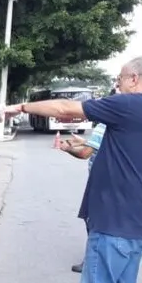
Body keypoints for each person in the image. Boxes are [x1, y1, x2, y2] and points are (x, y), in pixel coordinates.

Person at [1, 56, 142, 283]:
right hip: (139, 222)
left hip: (114, 221)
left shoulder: (129, 105)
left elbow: (67, 106)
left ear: (135, 79)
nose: (117, 83)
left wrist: (20, 105)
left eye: (120, 78)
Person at [59, 89, 116, 273]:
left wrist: (66, 148)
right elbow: (97, 146)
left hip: (101, 182)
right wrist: (84, 141)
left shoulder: (103, 125)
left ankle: (93, 262)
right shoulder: (121, 125)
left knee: (92, 221)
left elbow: (85, 154)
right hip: (116, 181)